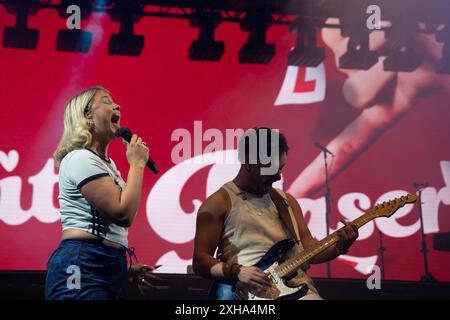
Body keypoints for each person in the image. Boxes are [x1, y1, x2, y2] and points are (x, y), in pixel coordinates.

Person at [289, 19, 450, 198]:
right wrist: (294, 194)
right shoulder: (407, 86)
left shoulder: (407, 83)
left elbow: (346, 147)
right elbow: (345, 147)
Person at [192, 128, 359, 300]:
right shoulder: (218, 203)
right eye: (271, 169)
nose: (278, 177)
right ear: (249, 163)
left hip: (297, 289)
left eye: (280, 168)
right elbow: (199, 262)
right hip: (247, 294)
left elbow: (310, 250)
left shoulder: (287, 202)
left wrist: (341, 246)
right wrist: (238, 272)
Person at [45, 86, 157, 300]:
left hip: (103, 263)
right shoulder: (79, 158)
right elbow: (123, 213)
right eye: (105, 101)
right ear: (86, 116)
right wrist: (137, 164)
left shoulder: (108, 164)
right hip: (81, 262)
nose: (117, 105)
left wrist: (120, 270)